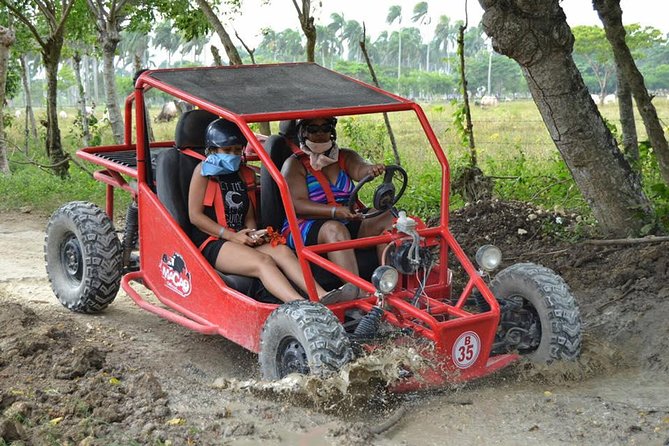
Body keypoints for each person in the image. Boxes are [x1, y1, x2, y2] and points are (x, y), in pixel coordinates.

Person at [188, 118, 342, 304]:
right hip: (214, 241)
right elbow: (195, 216)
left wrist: (253, 234)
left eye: (237, 150)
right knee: (264, 262)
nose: (233, 155)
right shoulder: (203, 173)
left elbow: (250, 216)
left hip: (241, 237)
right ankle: (300, 305)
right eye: (227, 151)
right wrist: (231, 236)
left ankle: (322, 296)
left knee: (284, 252)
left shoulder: (246, 174)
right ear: (212, 151)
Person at [281, 117, 394, 298]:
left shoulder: (344, 156)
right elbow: (296, 205)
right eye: (313, 129)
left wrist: (371, 170)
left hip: (346, 216)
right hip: (305, 224)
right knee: (335, 229)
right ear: (303, 132)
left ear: (332, 131)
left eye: (325, 128)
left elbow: (360, 169)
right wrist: (334, 211)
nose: (320, 134)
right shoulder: (294, 164)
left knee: (386, 215)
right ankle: (360, 294)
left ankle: (387, 284)